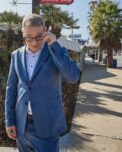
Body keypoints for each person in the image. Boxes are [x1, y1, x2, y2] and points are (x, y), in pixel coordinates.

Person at [5, 14, 80, 152]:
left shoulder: (55, 51)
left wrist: (54, 45)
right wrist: (9, 120)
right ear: (22, 33)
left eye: (39, 36)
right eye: (29, 37)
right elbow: (11, 90)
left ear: (45, 30)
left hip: (47, 127)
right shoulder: (16, 55)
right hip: (21, 126)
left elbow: (73, 76)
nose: (34, 42)